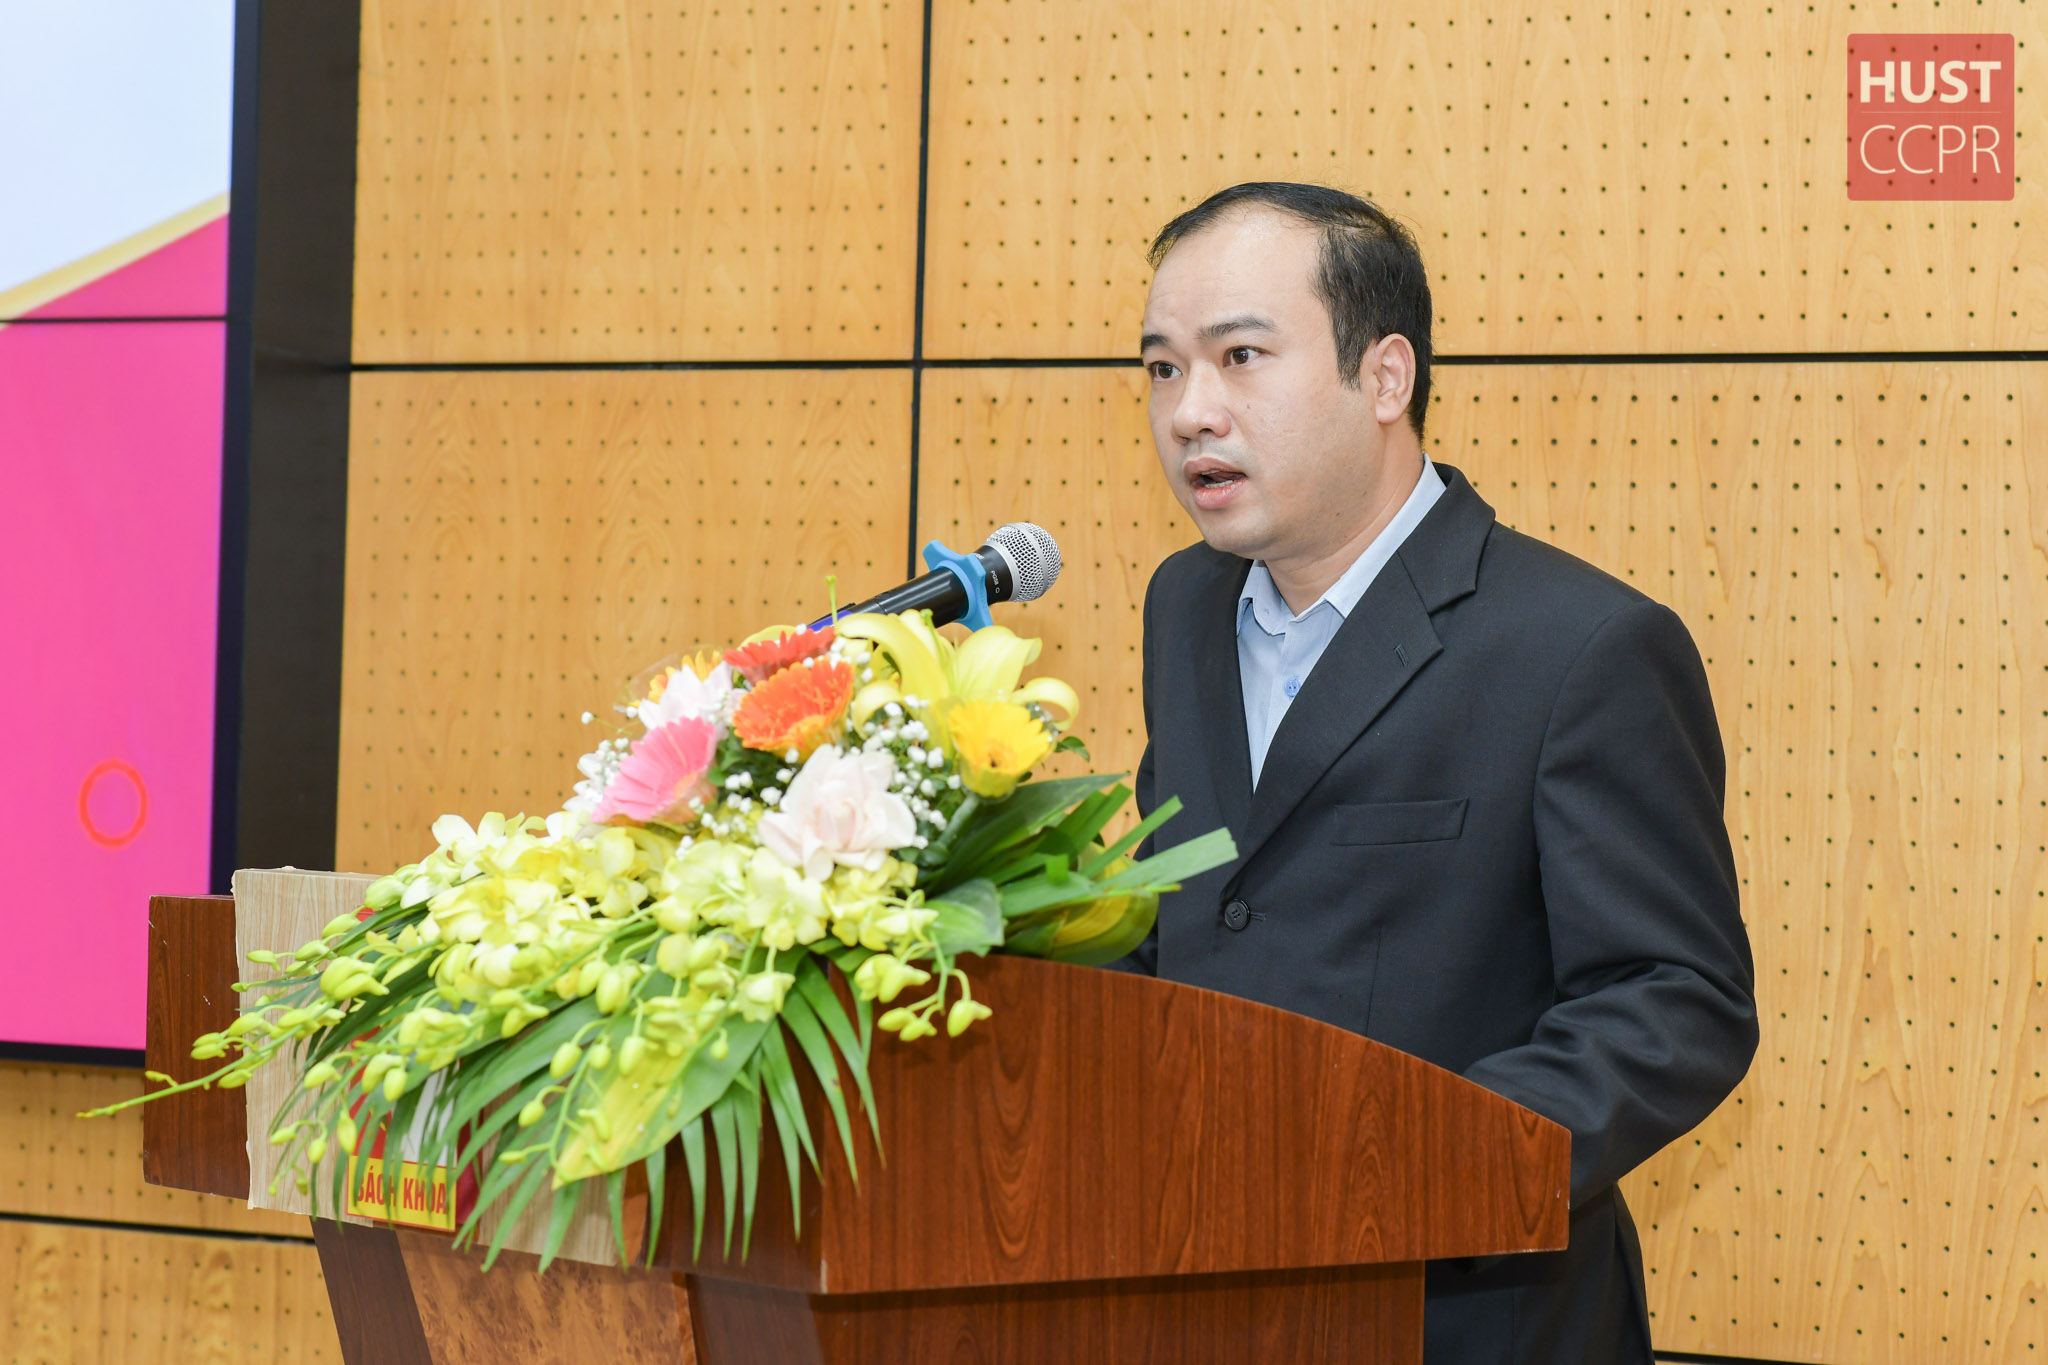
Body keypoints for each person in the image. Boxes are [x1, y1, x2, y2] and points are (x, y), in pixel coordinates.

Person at [1121, 181, 1758, 1364]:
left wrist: (1405, 1166)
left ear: (1383, 377)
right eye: (1162, 369)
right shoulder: (1183, 606)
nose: (1189, 413)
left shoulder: (1577, 646)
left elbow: (1672, 1001)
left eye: (1239, 357)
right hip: (1200, 1297)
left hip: (1461, 1315)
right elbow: (1186, 917)